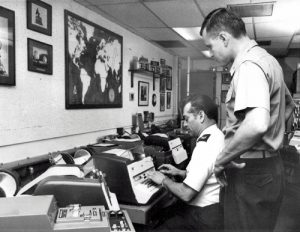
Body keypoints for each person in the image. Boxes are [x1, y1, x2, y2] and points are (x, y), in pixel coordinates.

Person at [200, 8, 295, 232]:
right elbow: (289, 107)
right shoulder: (268, 60)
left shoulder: (248, 65)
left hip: (250, 170)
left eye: (210, 46)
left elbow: (257, 123)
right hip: (270, 166)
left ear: (223, 38)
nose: (210, 53)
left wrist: (222, 159)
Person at [148, 94, 224, 231]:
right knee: (165, 214)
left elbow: (186, 194)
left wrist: (163, 180)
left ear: (201, 116)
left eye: (187, 119)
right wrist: (180, 172)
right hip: (212, 211)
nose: (185, 124)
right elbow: (208, 175)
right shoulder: (217, 135)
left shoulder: (206, 146)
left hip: (201, 216)